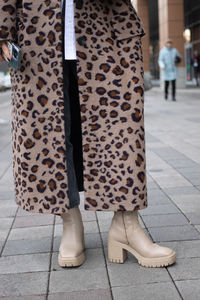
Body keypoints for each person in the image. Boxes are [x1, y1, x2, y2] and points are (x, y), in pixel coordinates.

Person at [0, 0, 176, 268]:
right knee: (50, 134)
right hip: (38, 36)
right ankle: (70, 222)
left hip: (109, 28)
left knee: (122, 130)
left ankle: (127, 225)